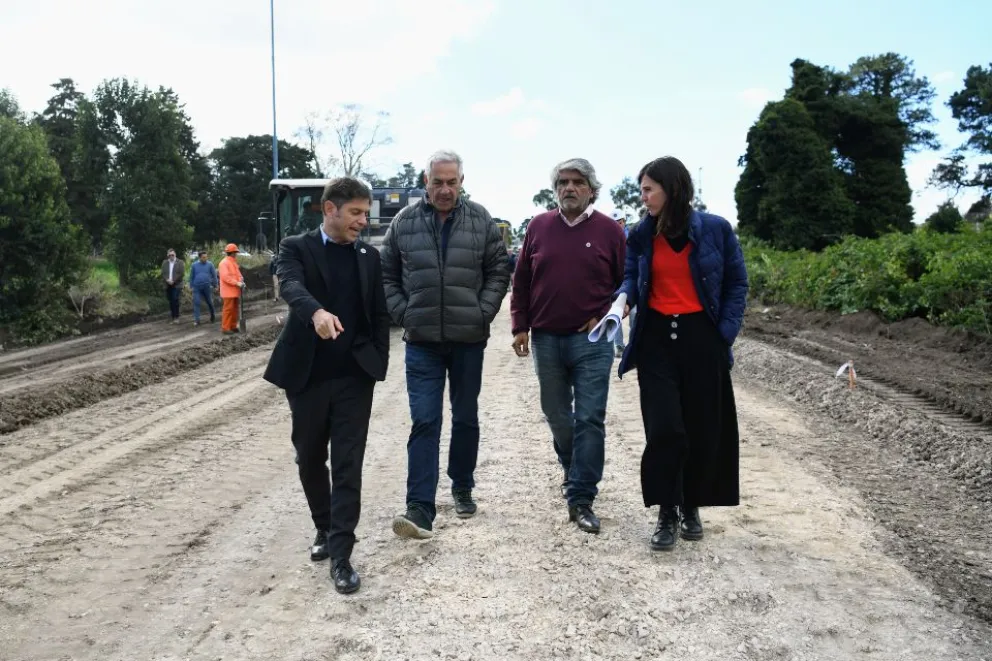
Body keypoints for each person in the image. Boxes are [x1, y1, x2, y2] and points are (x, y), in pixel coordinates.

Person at [262, 177, 390, 594]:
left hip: (355, 376)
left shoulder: (370, 257)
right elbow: (291, 286)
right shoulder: (295, 247)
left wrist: (376, 363)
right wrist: (315, 312)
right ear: (329, 209)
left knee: (348, 461)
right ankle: (323, 526)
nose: (362, 221)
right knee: (309, 457)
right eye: (355, 212)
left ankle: (342, 554)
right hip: (308, 375)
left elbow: (378, 314)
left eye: (365, 213)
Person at [615, 156, 748, 552]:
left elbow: (737, 283)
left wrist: (723, 332)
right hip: (656, 339)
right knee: (665, 428)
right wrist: (621, 300)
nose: (643, 197)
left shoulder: (716, 230)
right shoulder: (641, 234)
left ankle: (691, 506)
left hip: (701, 339)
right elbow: (630, 277)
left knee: (701, 428)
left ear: (672, 189)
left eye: (648, 189)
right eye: (641, 190)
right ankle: (665, 511)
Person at [380, 149, 510, 539]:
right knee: (425, 420)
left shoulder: (481, 219)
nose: (444, 189)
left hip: (468, 339)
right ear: (426, 182)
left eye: (452, 182)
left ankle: (463, 484)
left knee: (465, 417)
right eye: (437, 182)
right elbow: (386, 274)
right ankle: (420, 507)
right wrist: (404, 313)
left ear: (462, 182)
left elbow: (498, 270)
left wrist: (481, 311)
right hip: (422, 342)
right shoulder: (404, 222)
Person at [510, 158, 625, 534]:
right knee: (557, 414)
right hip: (546, 339)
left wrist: (609, 314)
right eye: (562, 182)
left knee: (590, 417)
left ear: (592, 189)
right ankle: (573, 467)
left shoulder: (610, 230)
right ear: (555, 188)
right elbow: (522, 278)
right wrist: (519, 325)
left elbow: (628, 284)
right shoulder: (538, 227)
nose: (569, 188)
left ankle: (581, 496)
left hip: (592, 341)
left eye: (577, 182)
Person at [218, 244, 245, 334]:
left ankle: (233, 326)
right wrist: (237, 283)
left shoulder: (233, 262)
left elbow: (238, 274)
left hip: (235, 290)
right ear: (232, 253)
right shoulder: (224, 263)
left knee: (234, 309)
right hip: (228, 291)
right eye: (235, 252)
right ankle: (225, 328)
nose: (236, 254)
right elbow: (226, 277)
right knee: (228, 309)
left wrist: (241, 280)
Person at [189, 250, 218, 326]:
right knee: (197, 302)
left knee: (209, 302)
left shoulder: (210, 264)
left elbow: (214, 275)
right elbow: (191, 277)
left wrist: (216, 285)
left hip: (207, 287)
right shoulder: (194, 265)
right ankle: (197, 320)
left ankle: (212, 316)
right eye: (203, 257)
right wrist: (191, 286)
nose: (205, 258)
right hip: (197, 287)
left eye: (206, 257)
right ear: (199, 258)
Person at [161, 249, 185, 324]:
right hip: (168, 284)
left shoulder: (180, 262)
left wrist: (173, 281)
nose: (171, 256)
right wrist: (167, 280)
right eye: (169, 255)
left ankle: (176, 317)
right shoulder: (165, 263)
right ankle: (173, 317)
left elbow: (181, 273)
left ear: (175, 254)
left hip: (177, 284)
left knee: (175, 299)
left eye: (172, 255)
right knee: (171, 301)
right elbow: (163, 273)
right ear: (167, 255)